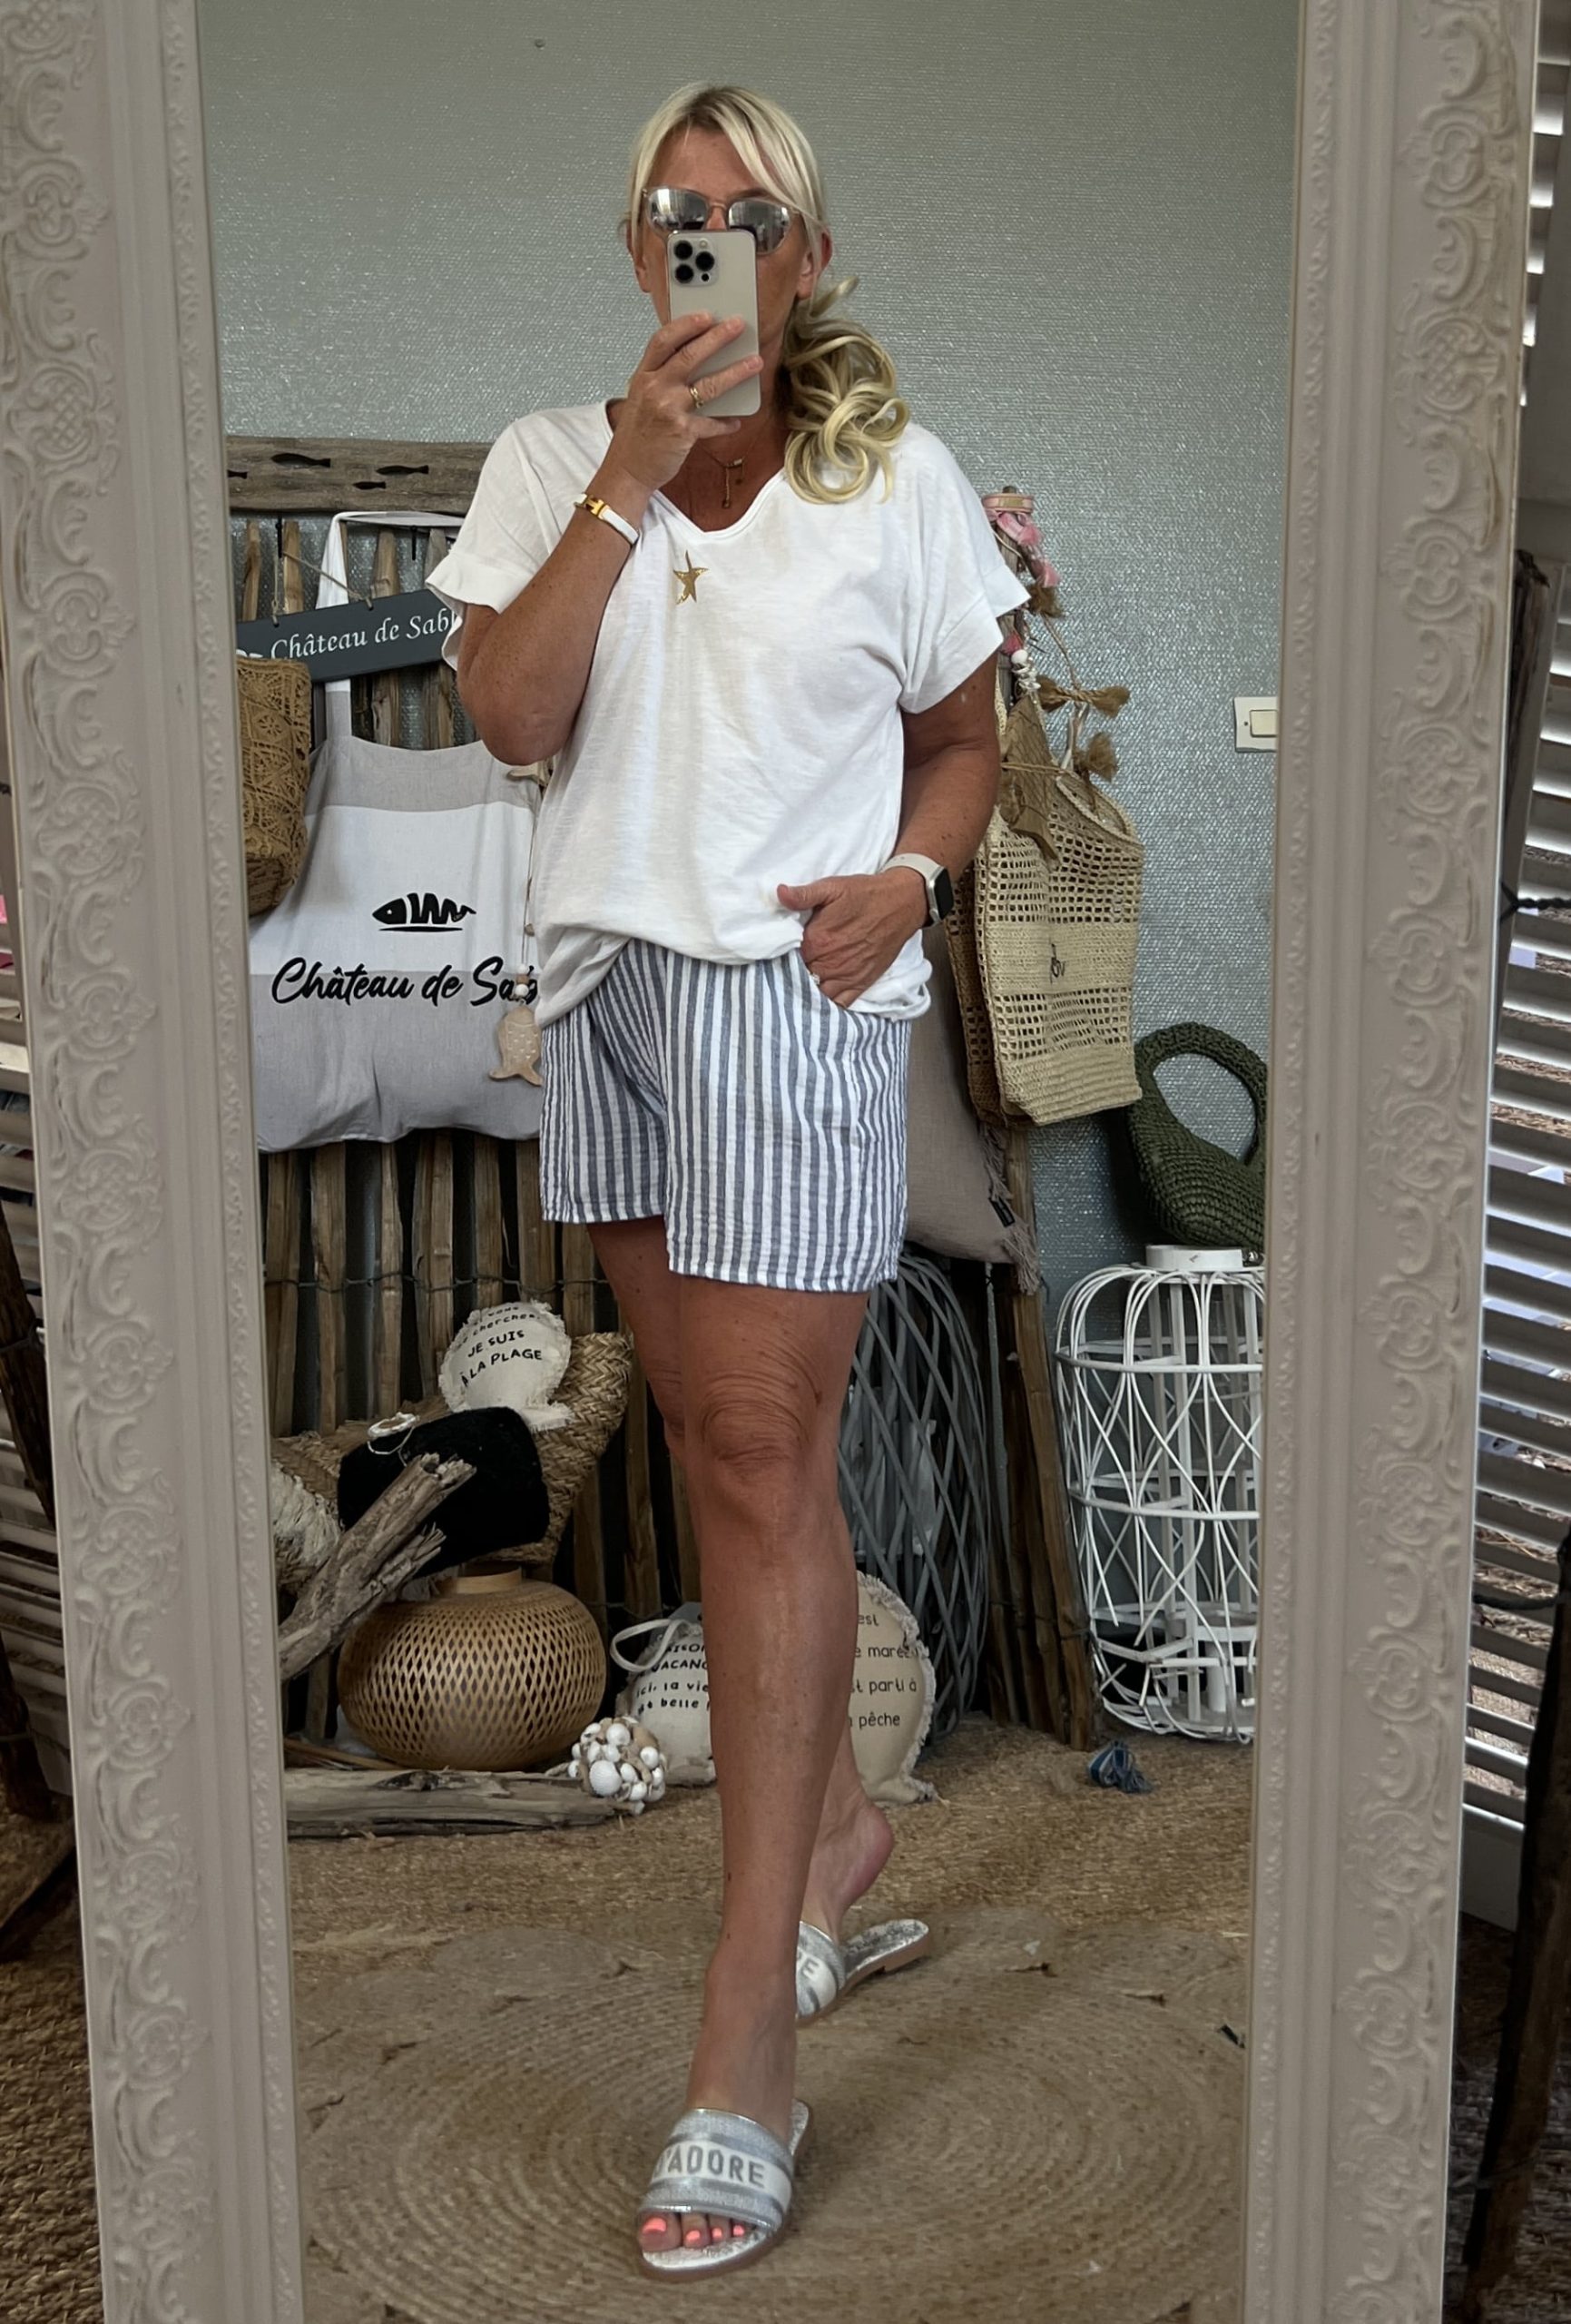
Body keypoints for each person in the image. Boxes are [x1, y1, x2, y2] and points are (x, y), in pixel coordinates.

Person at [426, 80, 1026, 2280]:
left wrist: (910, 881)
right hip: (604, 993)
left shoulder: (897, 479)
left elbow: (964, 741)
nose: (708, 240)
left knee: (759, 1451)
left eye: (745, 212)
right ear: (636, 251)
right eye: (672, 213)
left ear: (808, 252)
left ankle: (742, 2029)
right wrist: (632, 464)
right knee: (718, 1446)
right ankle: (839, 1822)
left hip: (788, 991)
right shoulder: (542, 460)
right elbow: (512, 715)